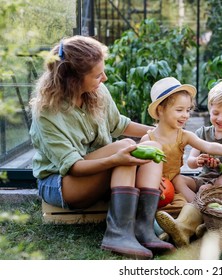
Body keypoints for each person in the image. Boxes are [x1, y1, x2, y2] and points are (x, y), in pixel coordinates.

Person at [29, 35, 173, 259]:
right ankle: (117, 233)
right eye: (97, 75)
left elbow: (120, 125)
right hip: (60, 182)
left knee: (151, 144)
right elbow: (74, 166)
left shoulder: (97, 92)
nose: (104, 78)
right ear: (73, 80)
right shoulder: (47, 113)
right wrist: (116, 160)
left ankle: (142, 230)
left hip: (96, 170)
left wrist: (162, 132)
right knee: (124, 148)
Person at [155, 80, 222, 247]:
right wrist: (197, 161)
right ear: (209, 110)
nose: (220, 118)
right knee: (177, 179)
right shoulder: (202, 132)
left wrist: (218, 164)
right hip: (202, 179)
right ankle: (199, 208)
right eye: (216, 112)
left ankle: (191, 216)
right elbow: (190, 163)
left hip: (220, 182)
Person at [140, 77, 222, 212]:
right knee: (171, 188)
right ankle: (198, 208)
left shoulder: (184, 136)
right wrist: (152, 179)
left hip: (181, 184)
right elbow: (139, 167)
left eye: (188, 110)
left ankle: (199, 208)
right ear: (160, 110)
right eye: (179, 110)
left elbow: (209, 146)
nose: (185, 115)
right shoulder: (148, 139)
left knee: (178, 194)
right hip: (156, 186)